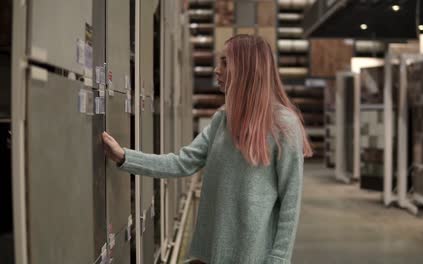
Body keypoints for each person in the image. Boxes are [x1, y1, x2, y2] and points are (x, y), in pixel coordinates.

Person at [102, 34, 312, 264]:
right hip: (211, 254)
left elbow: (290, 202)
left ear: (247, 67)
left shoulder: (284, 125)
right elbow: (182, 162)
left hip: (254, 257)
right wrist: (125, 157)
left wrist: (279, 259)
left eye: (224, 62)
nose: (216, 69)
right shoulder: (223, 119)